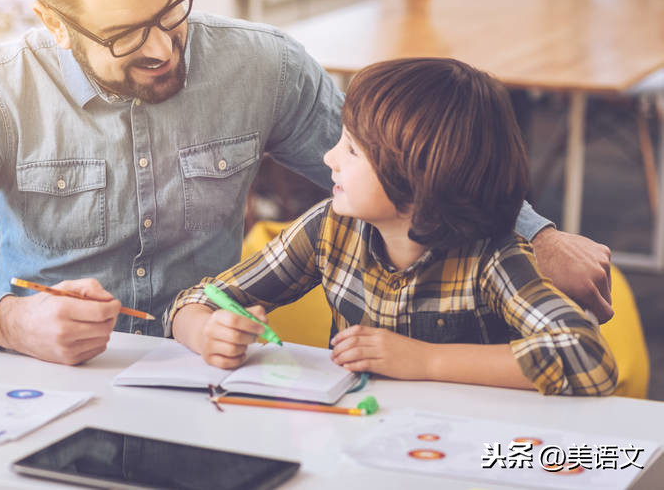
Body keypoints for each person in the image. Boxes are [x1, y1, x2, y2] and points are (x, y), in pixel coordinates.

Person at [0, 0, 613, 366]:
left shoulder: (263, 66)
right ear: (53, 23)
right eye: (123, 36)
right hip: (49, 378)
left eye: (168, 11)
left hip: (208, 375)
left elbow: (404, 171)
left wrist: (538, 234)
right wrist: (9, 320)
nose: (159, 47)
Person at [168, 58, 617, 396]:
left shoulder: (494, 257)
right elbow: (196, 300)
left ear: (417, 181)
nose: (329, 158)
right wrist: (204, 331)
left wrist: (427, 359)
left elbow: (589, 357)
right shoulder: (328, 229)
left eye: (352, 151)